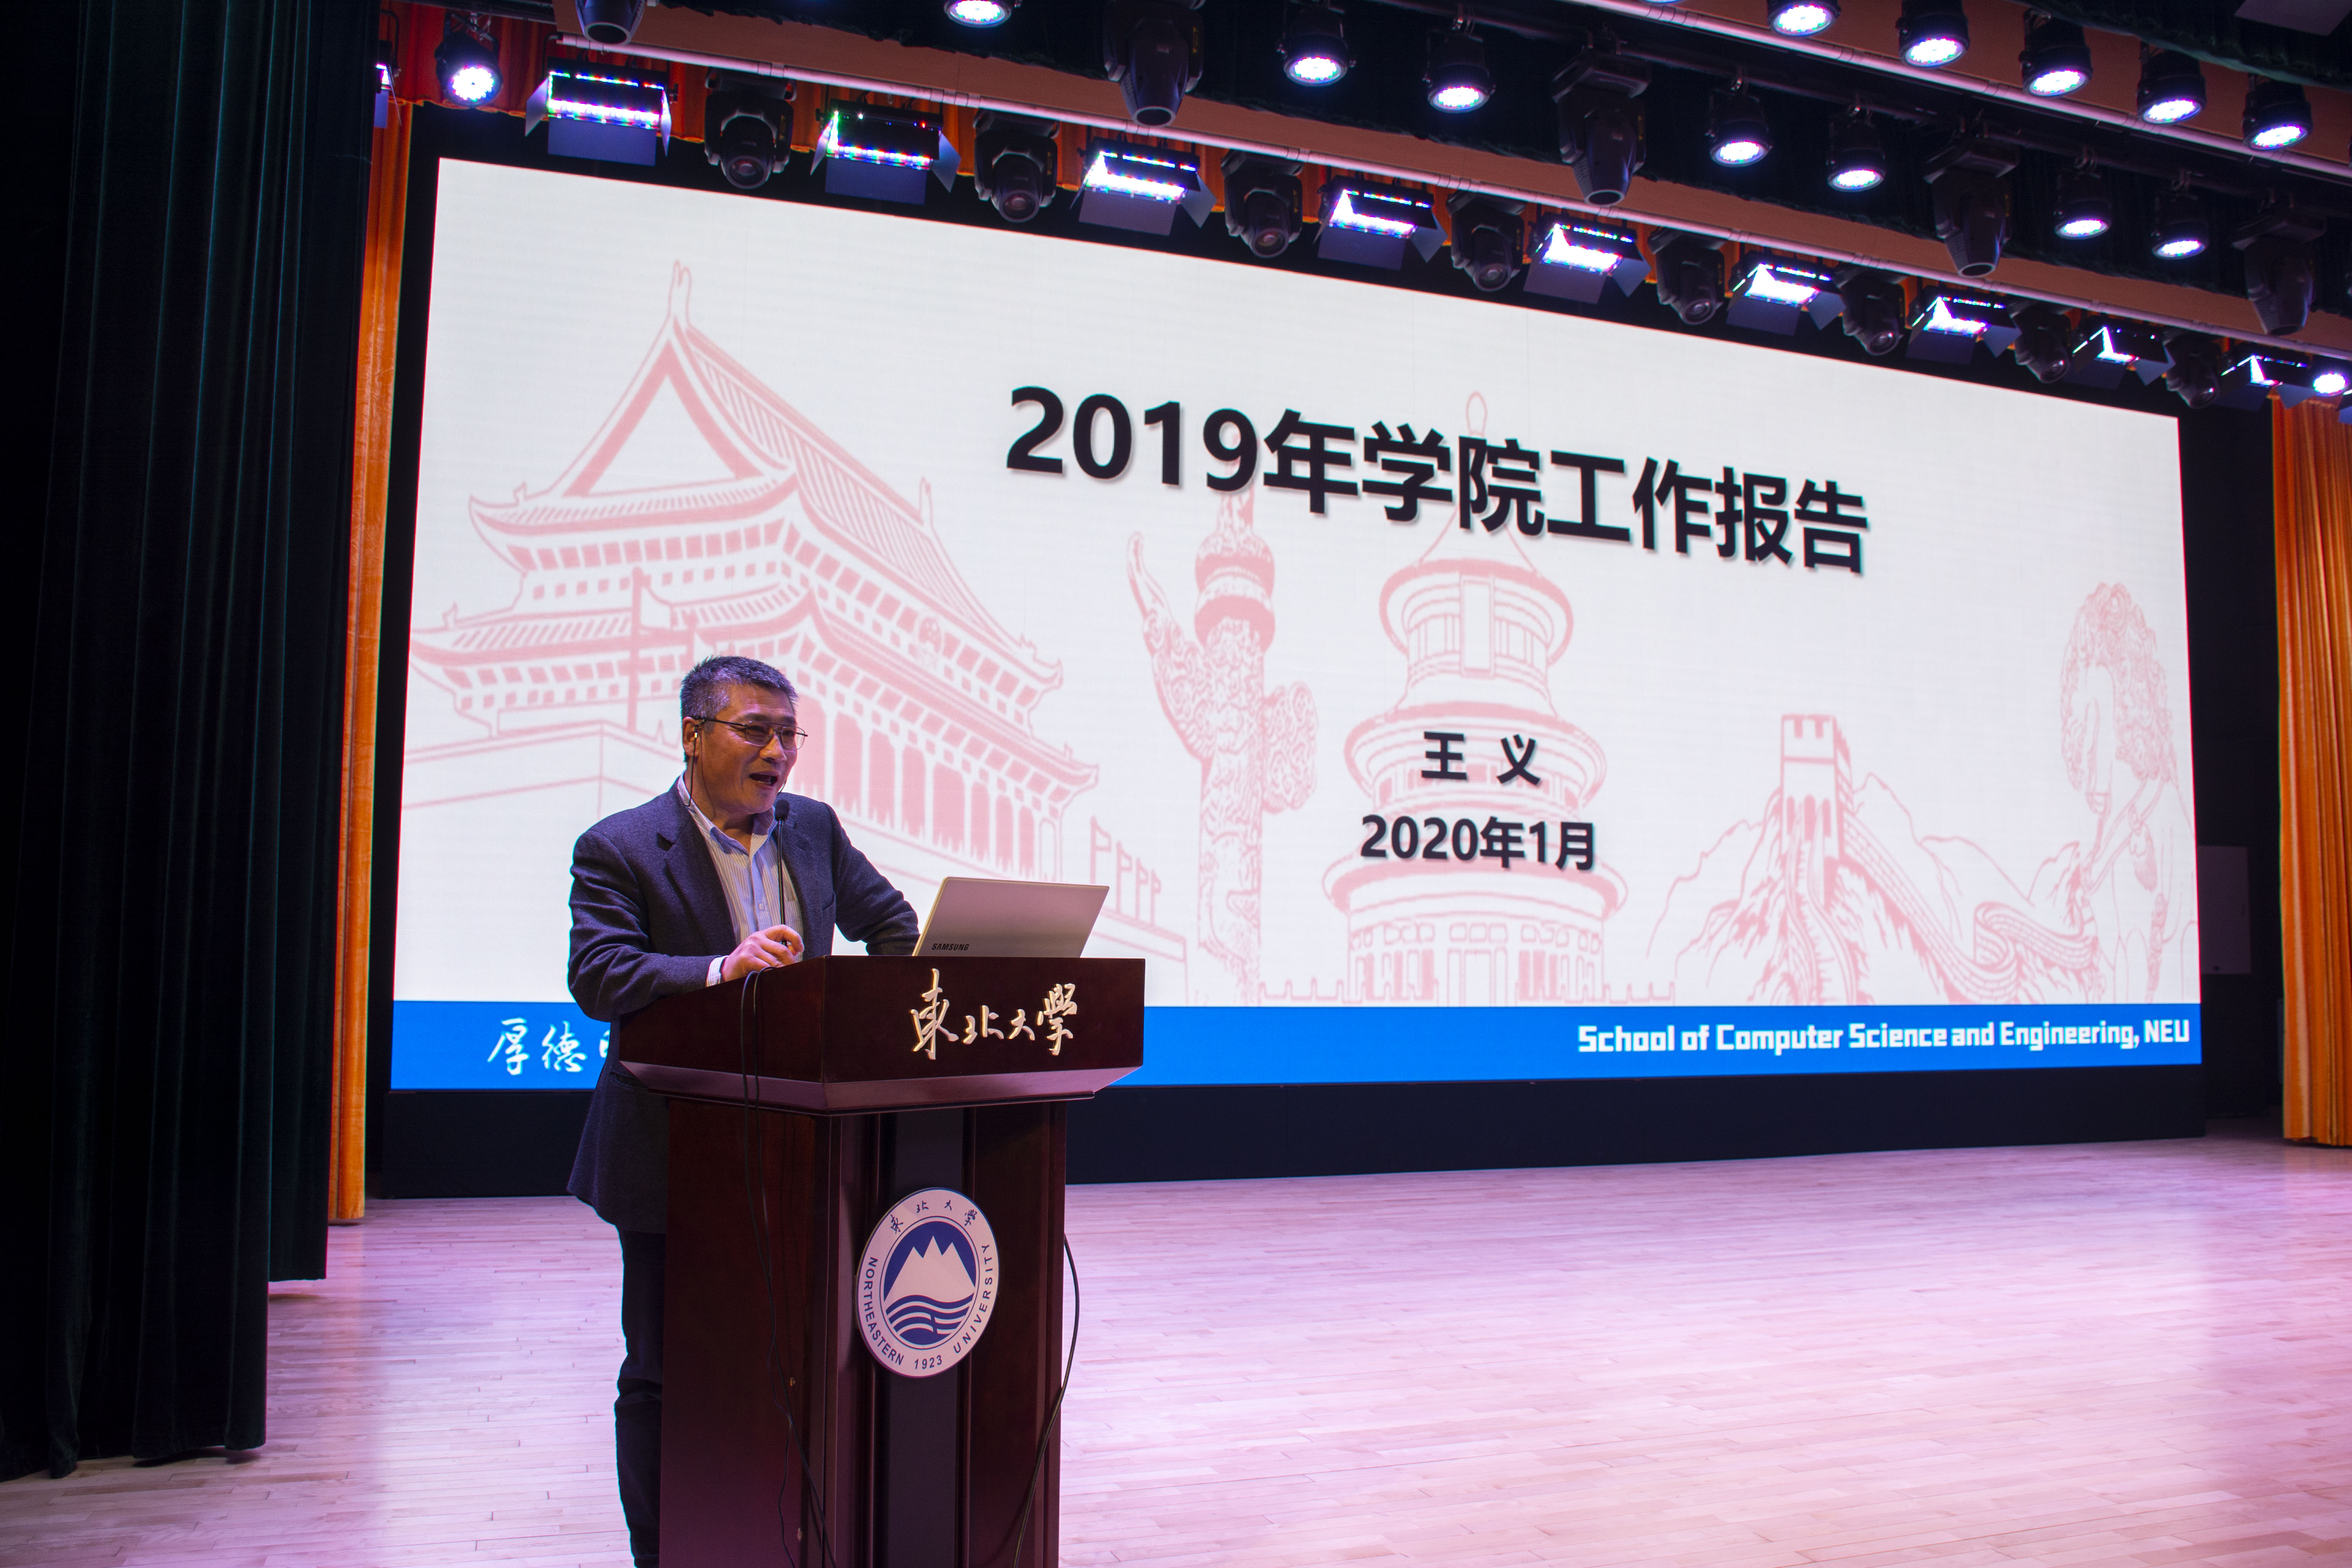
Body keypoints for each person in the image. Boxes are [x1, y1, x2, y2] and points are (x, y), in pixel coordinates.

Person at [565, 653, 919, 1568]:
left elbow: (893, 925)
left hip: (809, 1141)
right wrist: (721, 970)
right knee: (663, 1368)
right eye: (755, 730)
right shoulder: (621, 845)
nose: (779, 753)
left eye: (789, 734)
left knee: (797, 1352)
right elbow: (600, 974)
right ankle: (661, 1549)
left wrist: (871, 1018)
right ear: (694, 735)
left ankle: (787, 1531)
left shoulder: (814, 828)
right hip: (675, 1145)